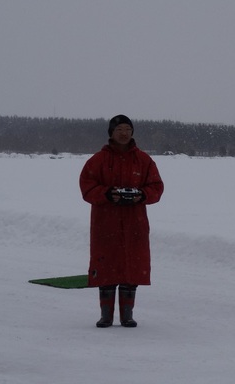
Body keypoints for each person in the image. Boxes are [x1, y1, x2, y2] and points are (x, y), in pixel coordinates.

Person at [79, 115, 164, 328]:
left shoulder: (144, 160)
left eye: (127, 129)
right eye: (120, 129)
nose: (124, 133)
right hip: (105, 223)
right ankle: (105, 315)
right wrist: (106, 194)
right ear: (111, 133)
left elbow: (157, 187)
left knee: (131, 266)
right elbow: (87, 187)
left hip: (135, 223)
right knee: (106, 265)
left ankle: (127, 315)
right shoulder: (97, 160)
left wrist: (141, 195)